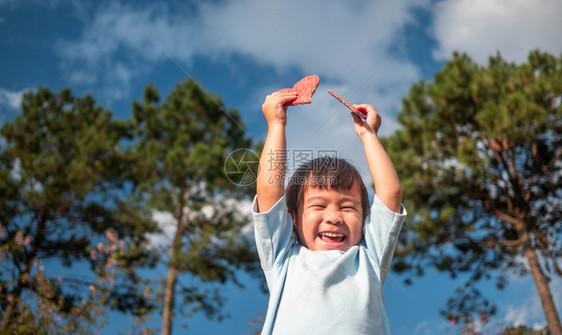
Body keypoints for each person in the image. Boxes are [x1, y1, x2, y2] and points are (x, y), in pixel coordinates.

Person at [253, 91, 407, 334]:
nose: (334, 217)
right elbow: (268, 190)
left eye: (347, 207)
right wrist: (276, 124)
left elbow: (391, 194)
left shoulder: (369, 258)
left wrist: (369, 135)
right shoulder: (283, 257)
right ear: (291, 217)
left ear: (365, 218)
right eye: (319, 205)